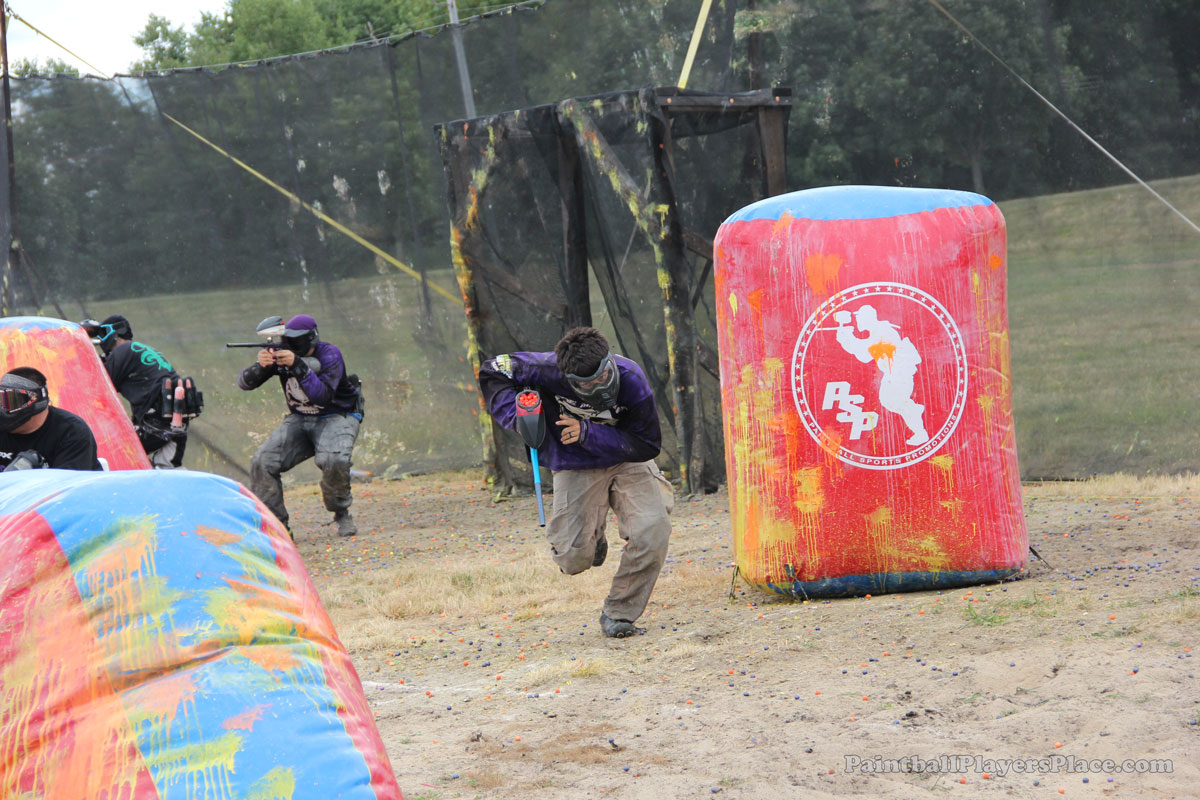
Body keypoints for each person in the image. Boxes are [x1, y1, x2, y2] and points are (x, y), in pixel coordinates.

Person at [478, 327, 673, 638]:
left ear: (609, 361)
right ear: (567, 377)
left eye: (602, 376)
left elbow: (648, 444)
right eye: (586, 384)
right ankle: (594, 538)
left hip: (628, 457)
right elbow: (493, 369)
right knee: (571, 559)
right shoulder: (543, 369)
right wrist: (519, 415)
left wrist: (588, 432)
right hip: (575, 461)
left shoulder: (631, 379)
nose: (598, 386)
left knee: (652, 531)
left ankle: (619, 613)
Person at [237, 314, 363, 537]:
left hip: (337, 415)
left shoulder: (330, 354)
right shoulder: (282, 353)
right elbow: (244, 384)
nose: (292, 345)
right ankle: (278, 529)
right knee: (262, 462)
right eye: (289, 340)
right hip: (300, 418)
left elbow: (322, 397)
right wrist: (261, 366)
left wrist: (297, 365)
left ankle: (341, 512)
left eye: (297, 340)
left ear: (311, 338)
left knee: (334, 460)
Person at [84, 314, 199, 468]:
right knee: (169, 470)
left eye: (103, 334)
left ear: (115, 333)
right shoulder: (138, 349)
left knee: (117, 454)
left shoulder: (123, 350)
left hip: (157, 418)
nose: (100, 340)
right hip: (177, 417)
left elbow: (99, 386)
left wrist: (84, 354)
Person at [0, 367, 103, 472]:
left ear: (39, 404)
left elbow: (69, 481)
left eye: (12, 401)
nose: (3, 409)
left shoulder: (71, 432)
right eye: (1, 400)